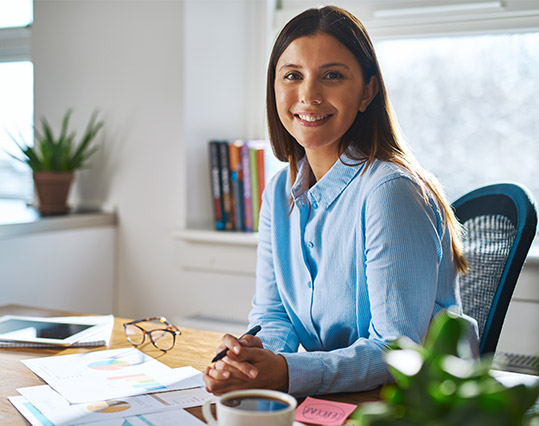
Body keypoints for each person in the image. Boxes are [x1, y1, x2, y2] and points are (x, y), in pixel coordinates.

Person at [203, 5, 479, 397]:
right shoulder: (279, 191)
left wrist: (285, 371)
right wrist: (250, 362)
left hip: (416, 404)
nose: (309, 95)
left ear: (367, 91)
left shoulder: (390, 191)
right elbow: (273, 314)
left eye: (332, 75)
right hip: (338, 397)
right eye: (293, 76)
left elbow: (397, 352)